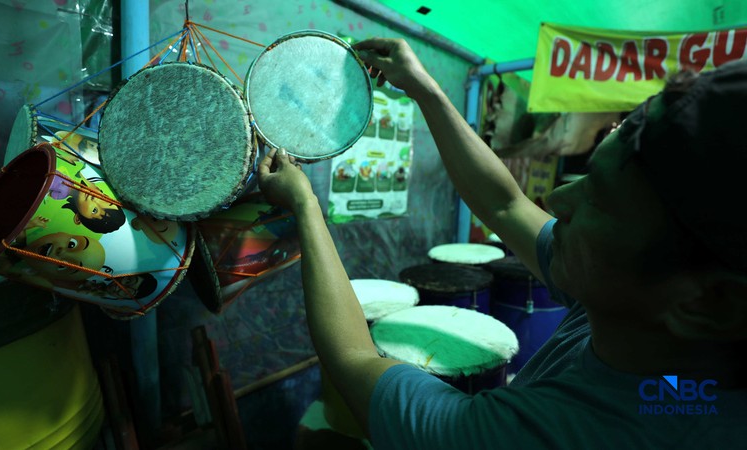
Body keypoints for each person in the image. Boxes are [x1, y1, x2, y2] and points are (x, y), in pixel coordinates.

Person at [258, 38, 747, 449]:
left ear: (710, 300)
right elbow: (505, 204)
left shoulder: (543, 433)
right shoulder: (658, 336)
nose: (556, 198)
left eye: (599, 198)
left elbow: (354, 360)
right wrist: (425, 89)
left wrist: (305, 208)